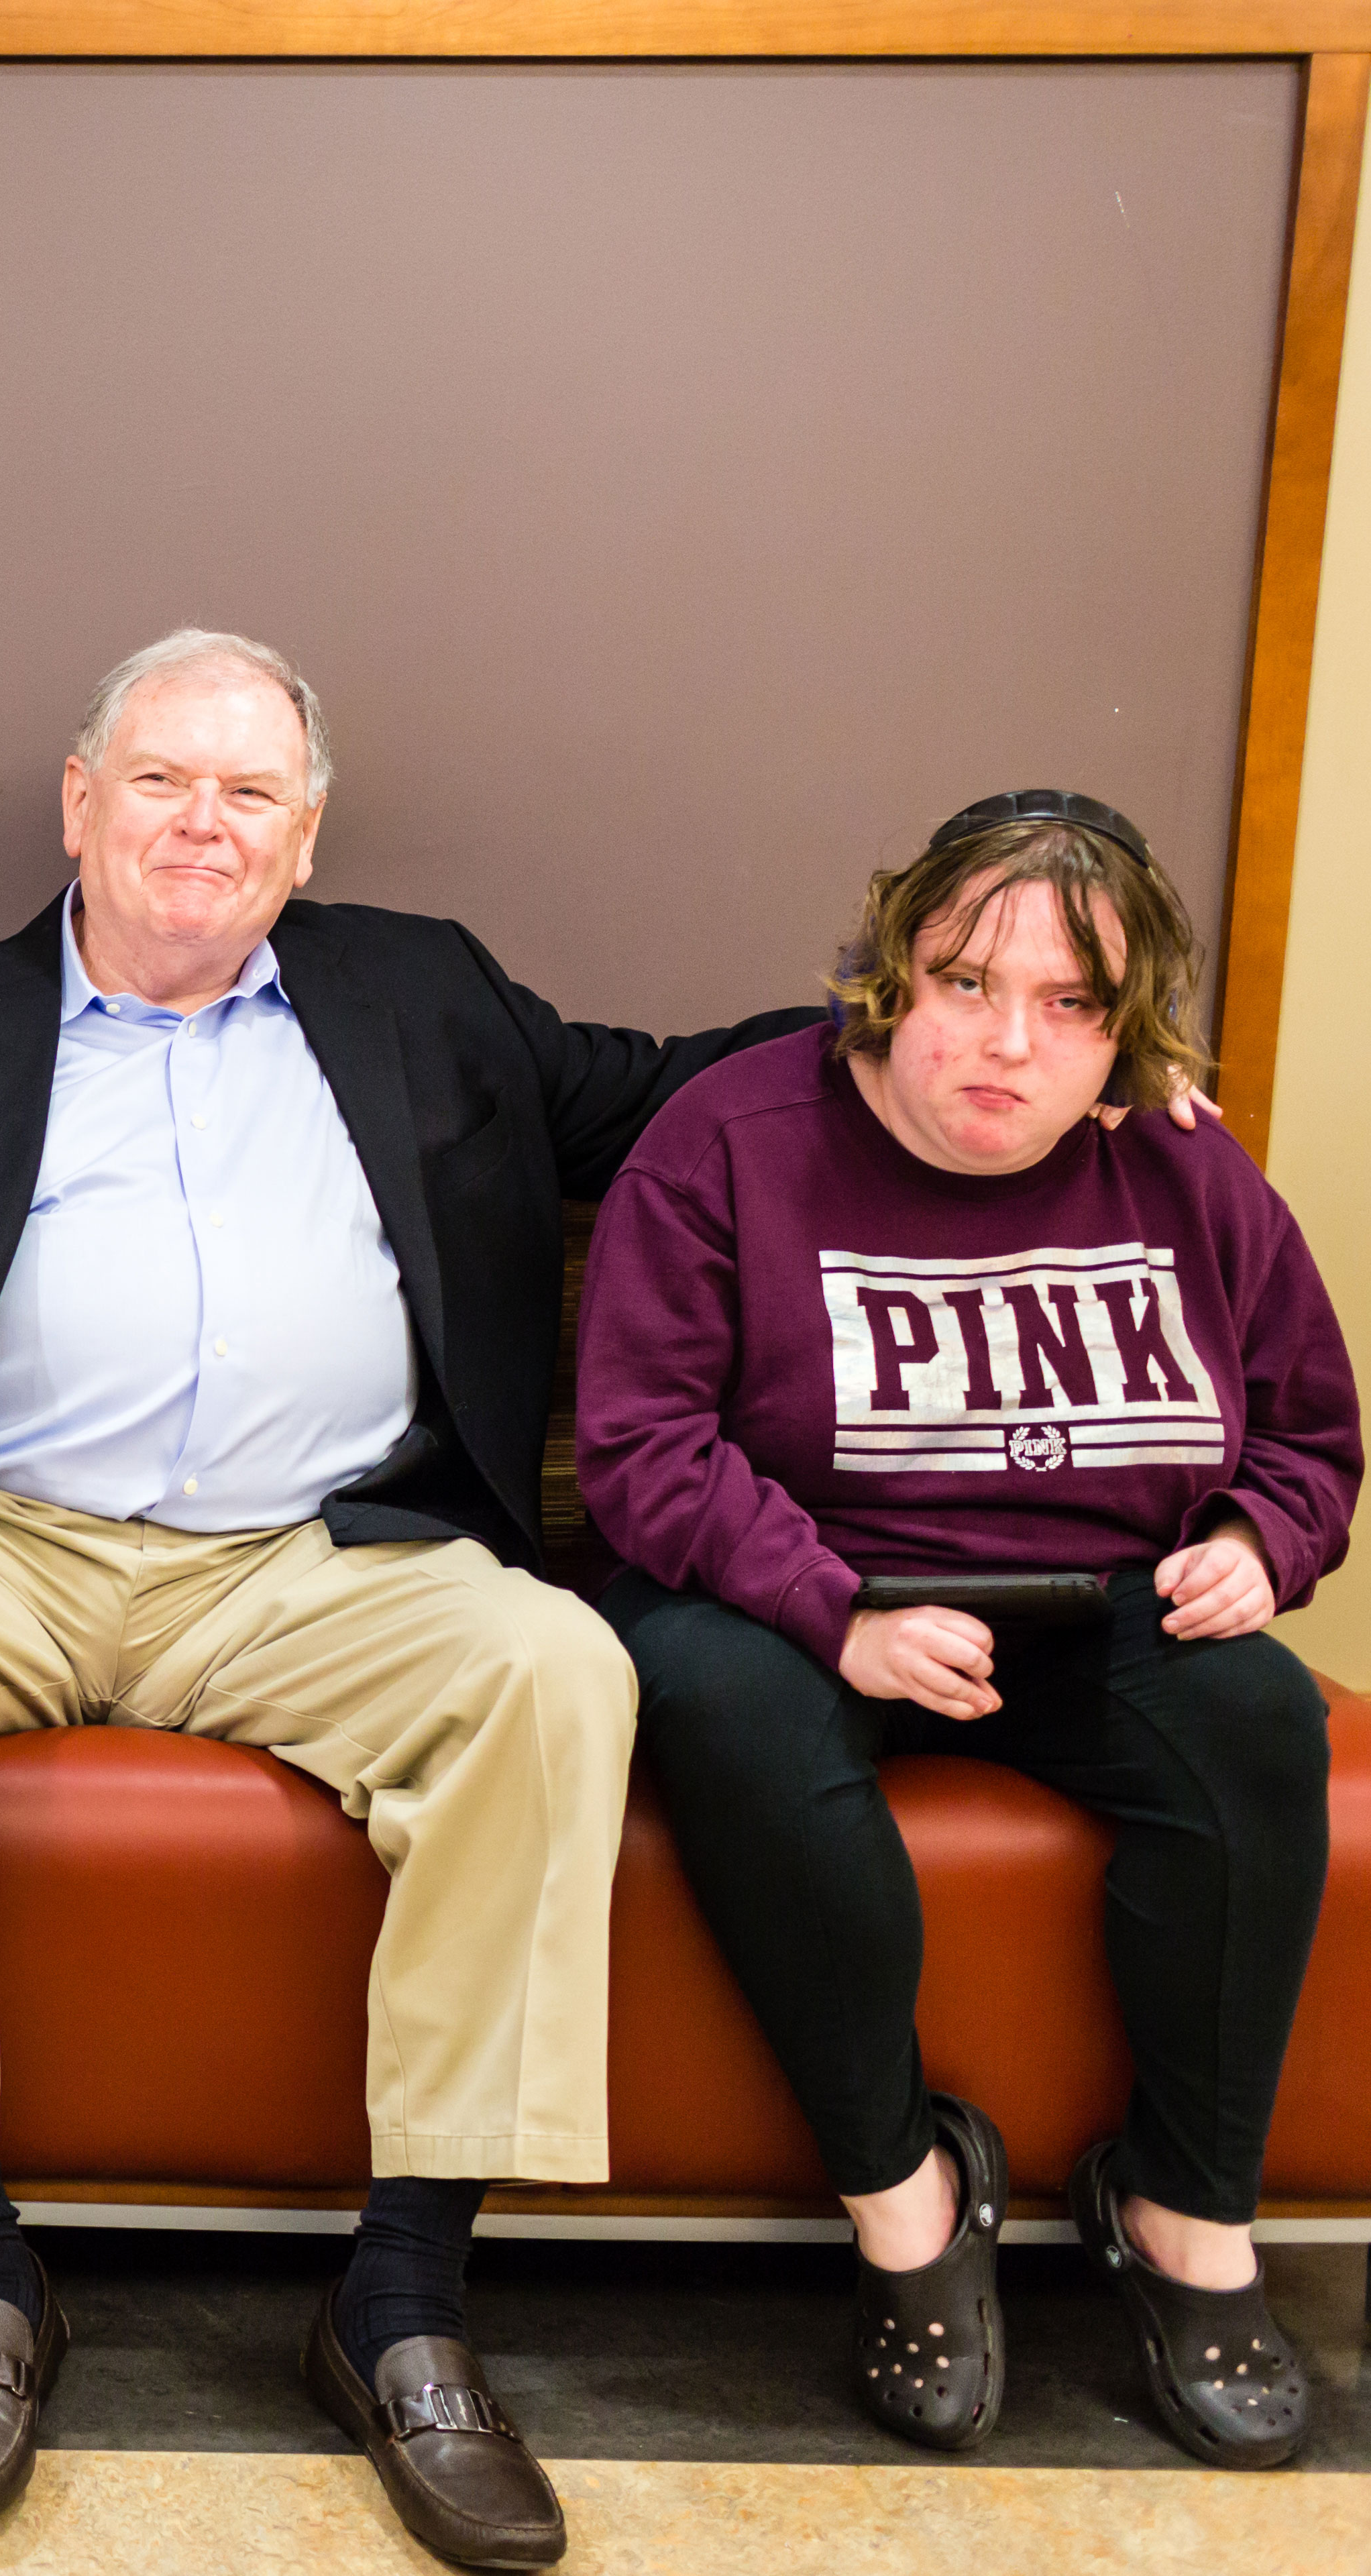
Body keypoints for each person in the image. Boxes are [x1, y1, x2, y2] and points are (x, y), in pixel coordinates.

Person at [0, 629, 822, 2569]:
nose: (201, 824)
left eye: (249, 794)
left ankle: (402, 2301)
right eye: (160, 780)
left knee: (553, 1671)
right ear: (79, 803)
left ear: (305, 837)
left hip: (316, 1555)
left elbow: (666, 1096)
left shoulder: (427, 991)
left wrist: (944, 1031)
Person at [578, 790, 1358, 2471]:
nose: (1009, 1042)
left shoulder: (1183, 1162)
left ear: (1129, 1034)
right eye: (964, 985)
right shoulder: (727, 1140)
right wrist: (832, 1611)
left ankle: (1179, 2217)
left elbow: (1308, 1435)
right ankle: (907, 2204)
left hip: (1101, 1606)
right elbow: (643, 1455)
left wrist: (1257, 1537)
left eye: (1072, 1007)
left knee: (1257, 1722)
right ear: (885, 980)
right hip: (797, 1598)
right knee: (713, 1698)